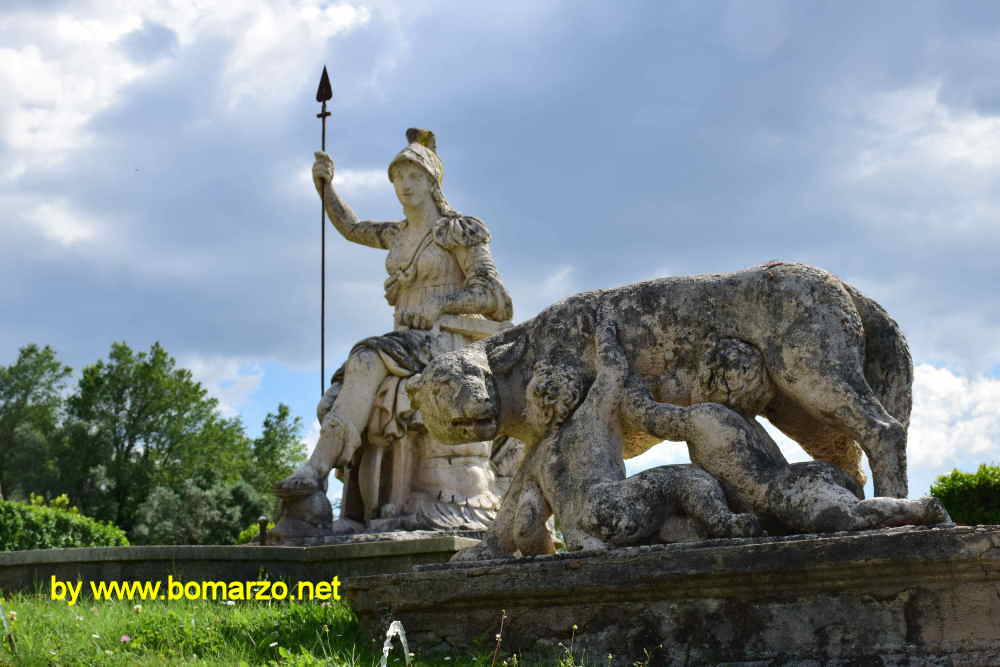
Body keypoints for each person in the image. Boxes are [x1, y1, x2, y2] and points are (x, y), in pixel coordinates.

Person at [276, 128, 513, 529]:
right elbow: (352, 229)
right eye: (398, 178)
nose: (405, 186)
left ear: (432, 181)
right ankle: (336, 498)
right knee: (338, 392)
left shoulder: (457, 230)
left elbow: (493, 295)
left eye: (414, 176)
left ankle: (314, 471)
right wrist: (326, 188)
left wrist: (441, 304)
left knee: (365, 359)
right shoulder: (397, 235)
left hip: (447, 343)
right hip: (404, 343)